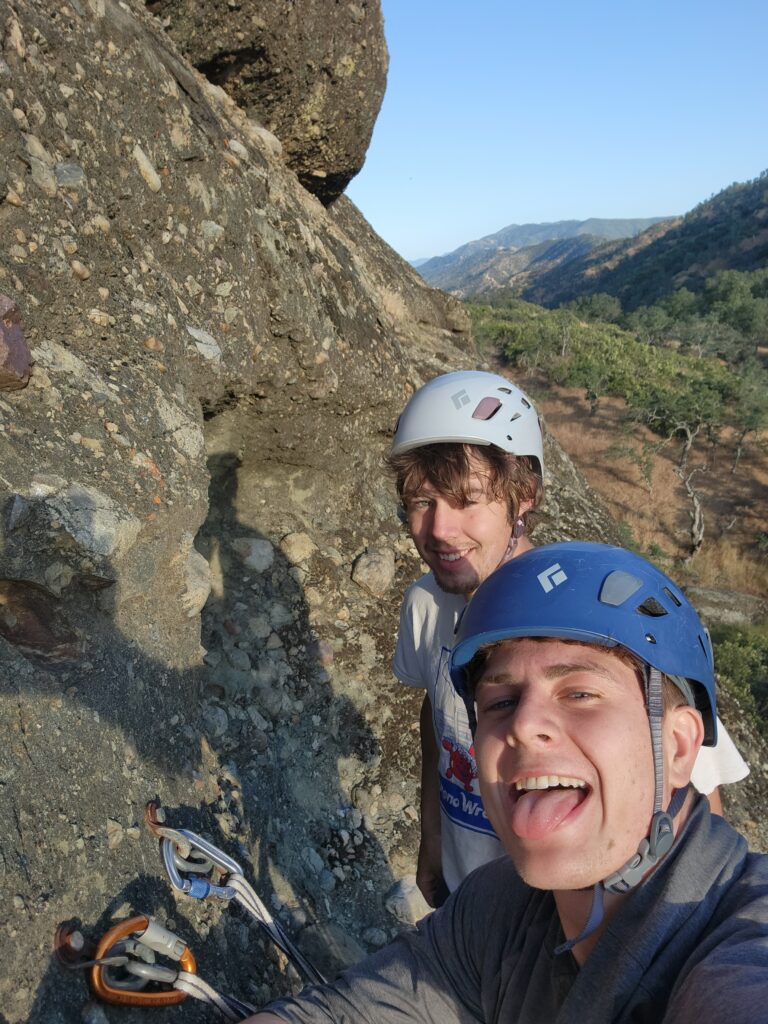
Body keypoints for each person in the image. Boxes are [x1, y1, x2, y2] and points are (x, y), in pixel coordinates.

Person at [246, 544, 768, 1024]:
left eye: (580, 693)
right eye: (500, 702)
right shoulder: (499, 909)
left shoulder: (741, 942)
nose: (521, 725)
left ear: (678, 747)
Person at [387, 370, 748, 903]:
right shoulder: (426, 605)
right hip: (477, 903)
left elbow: (696, 791)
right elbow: (437, 714)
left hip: (589, 918)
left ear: (524, 494)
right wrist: (433, 843)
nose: (439, 529)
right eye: (421, 502)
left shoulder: (598, 615)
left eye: (467, 501)